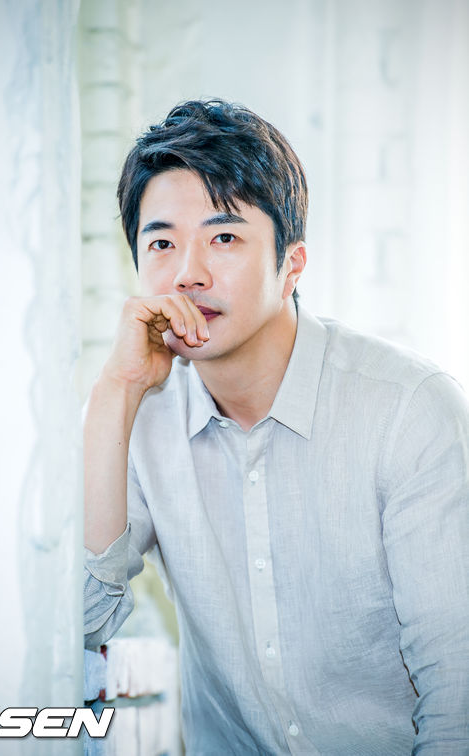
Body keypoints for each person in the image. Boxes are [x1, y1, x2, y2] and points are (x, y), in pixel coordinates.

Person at [83, 99, 469, 755]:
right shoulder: (141, 411)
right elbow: (80, 625)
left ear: (292, 263)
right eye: (162, 243)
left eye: (224, 238)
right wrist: (113, 392)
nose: (188, 273)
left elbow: (456, 700)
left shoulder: (410, 411)